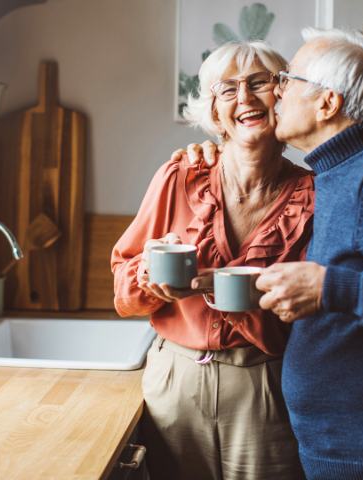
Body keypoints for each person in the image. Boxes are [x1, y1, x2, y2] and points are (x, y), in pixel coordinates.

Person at [176, 28, 363, 479]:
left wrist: (327, 288)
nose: (276, 91)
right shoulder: (337, 172)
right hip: (350, 449)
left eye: (288, 80)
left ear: (327, 103)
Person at [111, 41, 314, 479]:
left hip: (265, 383)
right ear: (215, 112)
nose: (244, 98)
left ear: (282, 96)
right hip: (176, 380)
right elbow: (122, 290)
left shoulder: (315, 197)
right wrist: (149, 279)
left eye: (259, 83)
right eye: (228, 89)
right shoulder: (178, 176)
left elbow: (318, 310)